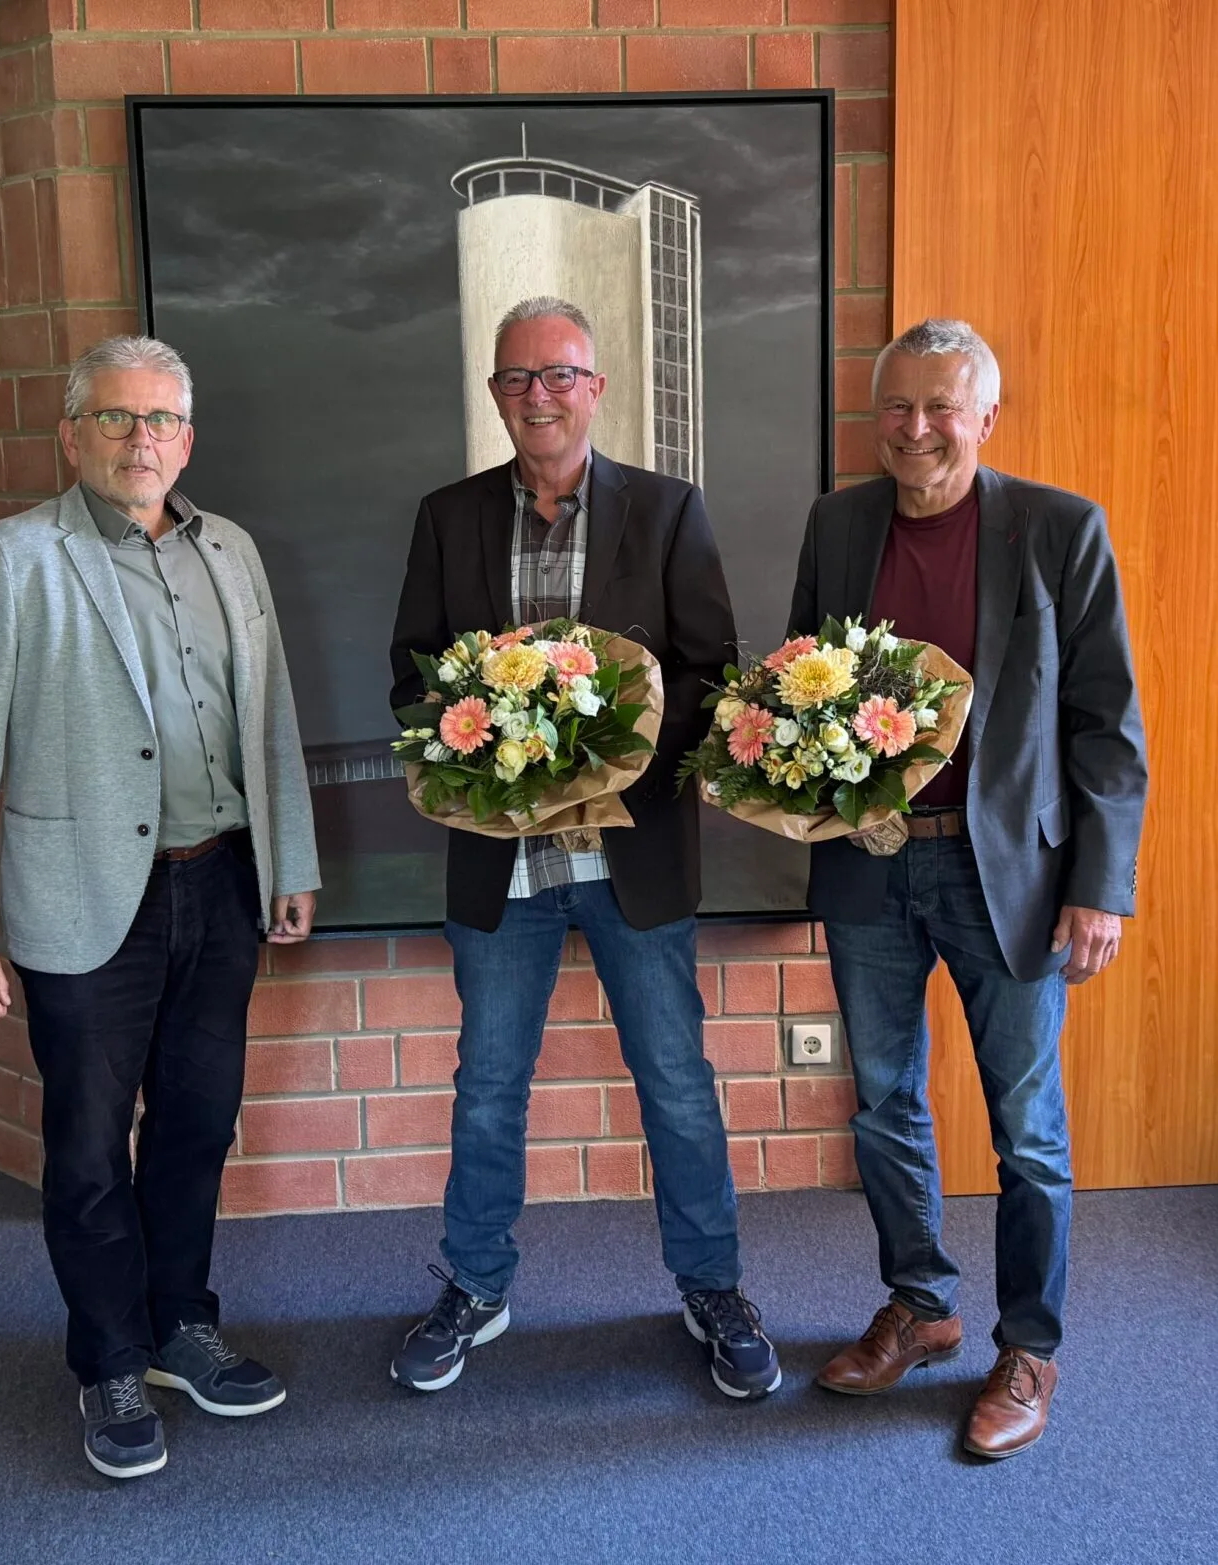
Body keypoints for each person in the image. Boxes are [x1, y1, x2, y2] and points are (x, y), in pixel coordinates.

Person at [0, 335, 320, 1479]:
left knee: (197, 1123)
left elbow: (270, 713)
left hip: (221, 881)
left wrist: (289, 857)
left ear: (187, 440)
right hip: (83, 898)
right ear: (71, 435)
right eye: (115, 417)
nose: (141, 439)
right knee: (90, 1144)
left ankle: (181, 1324)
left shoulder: (230, 550)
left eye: (161, 420)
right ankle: (108, 1358)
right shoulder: (13, 560)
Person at [387, 296, 780, 1400]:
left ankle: (712, 1287)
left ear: (595, 388)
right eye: (517, 378)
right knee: (487, 1087)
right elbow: (412, 673)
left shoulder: (668, 510)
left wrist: (605, 738)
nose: (539, 396)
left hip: (632, 857)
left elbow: (712, 672)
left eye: (559, 374)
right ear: (495, 394)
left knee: (676, 1083)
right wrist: (494, 741)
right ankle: (476, 1285)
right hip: (499, 862)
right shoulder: (448, 517)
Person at [788, 319, 1147, 1458]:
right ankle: (922, 1303)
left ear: (985, 416)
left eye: (941, 406)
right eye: (897, 406)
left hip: (1014, 876)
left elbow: (1107, 728)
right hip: (871, 859)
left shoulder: (1060, 528)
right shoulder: (838, 524)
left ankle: (1029, 1344)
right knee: (883, 1101)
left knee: (1026, 1127)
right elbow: (802, 683)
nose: (917, 428)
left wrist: (1101, 885)